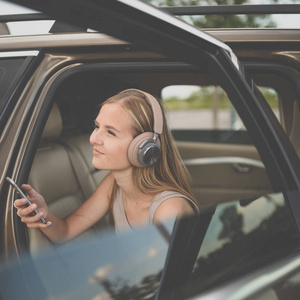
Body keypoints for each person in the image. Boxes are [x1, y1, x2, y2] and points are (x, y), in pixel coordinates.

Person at [14, 88, 199, 243]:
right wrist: (43, 213)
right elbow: (66, 230)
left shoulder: (169, 210)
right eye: (96, 126)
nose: (93, 139)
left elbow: (169, 282)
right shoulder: (114, 184)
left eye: (110, 132)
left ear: (145, 147)